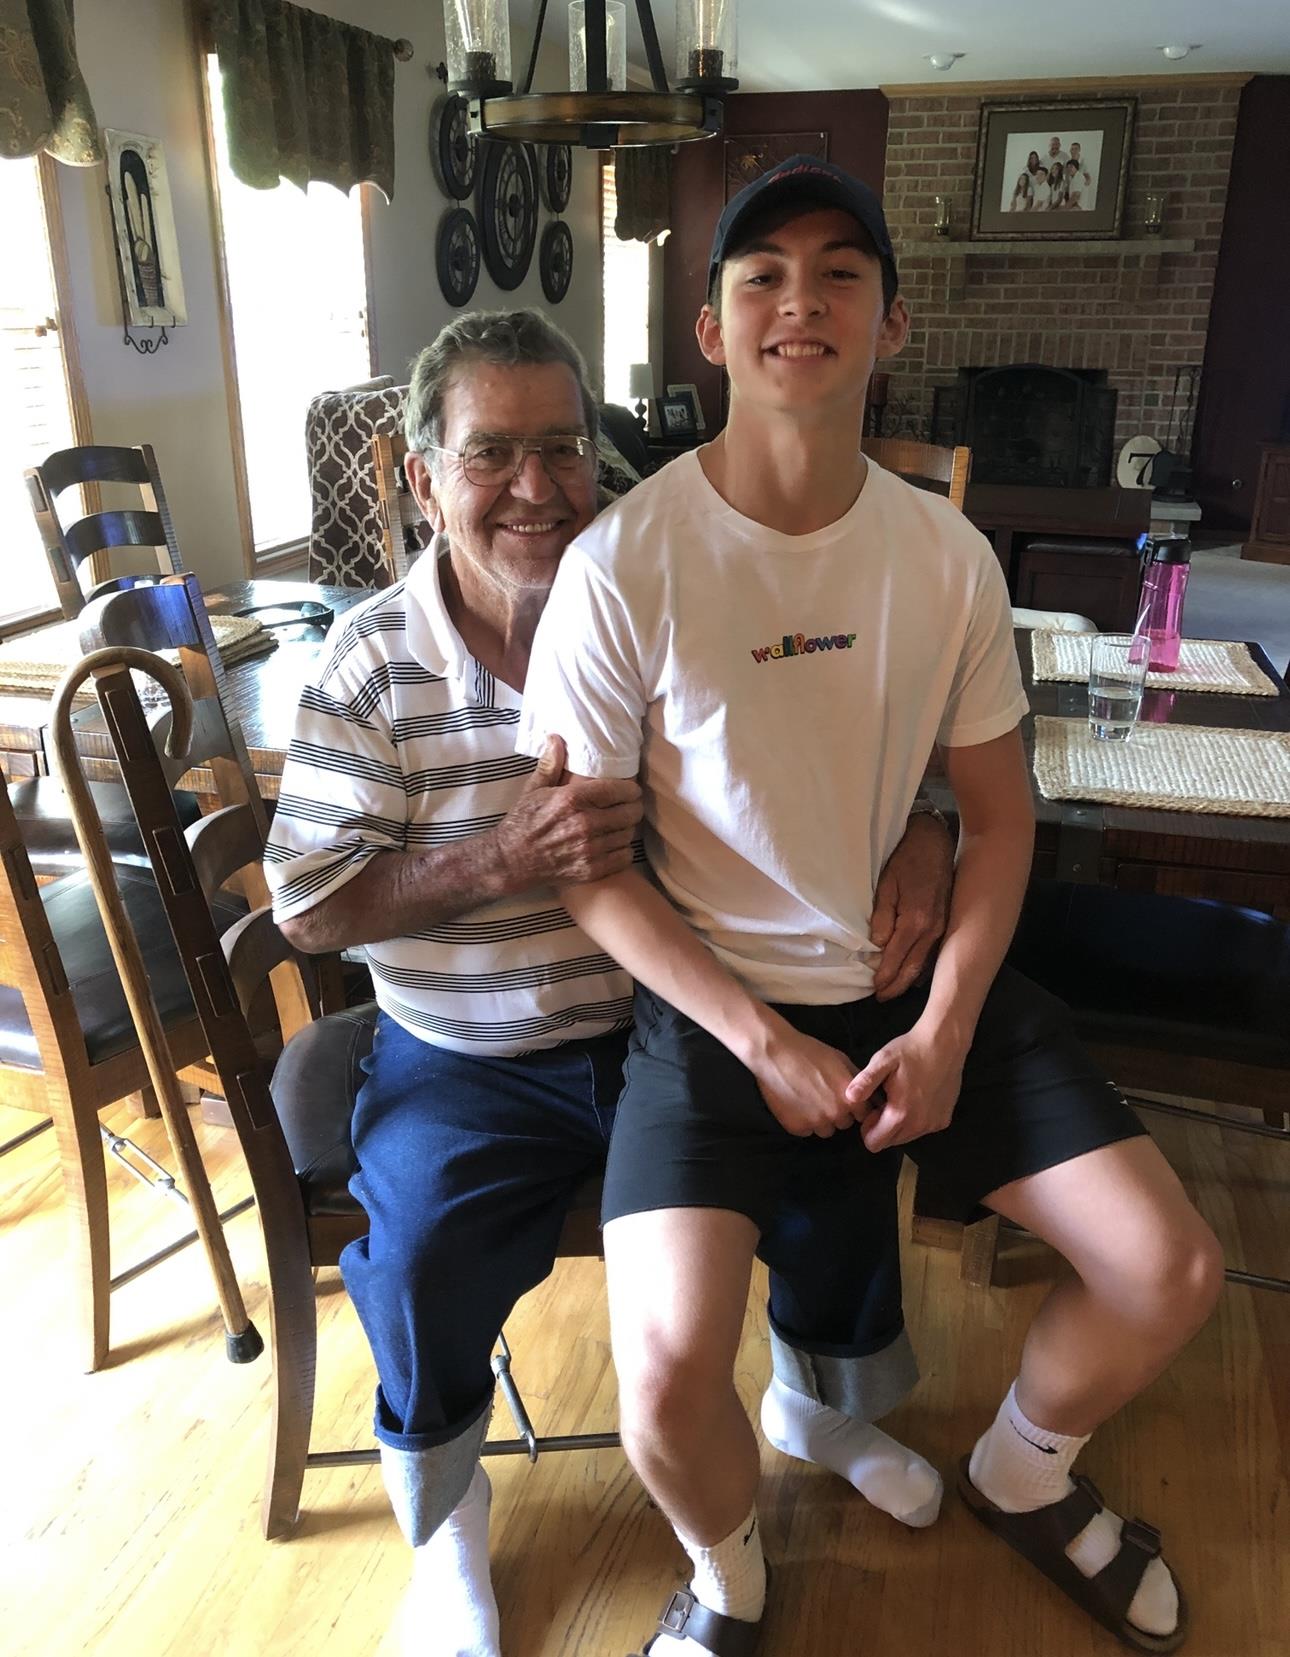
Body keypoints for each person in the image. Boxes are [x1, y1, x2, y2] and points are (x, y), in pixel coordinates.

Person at [517, 156, 1221, 1655]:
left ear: (891, 322)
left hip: (915, 985)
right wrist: (757, 1035)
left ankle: (1023, 1470)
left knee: (1169, 1266)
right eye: (760, 273)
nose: (798, 301)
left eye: (839, 272)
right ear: (709, 328)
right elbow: (585, 868)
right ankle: (724, 1580)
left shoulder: (944, 556)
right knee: (656, 1381)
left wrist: (953, 1020)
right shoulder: (618, 567)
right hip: (713, 1013)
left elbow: (998, 812)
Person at [265, 308, 957, 1656]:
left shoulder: (675, 575)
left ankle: (819, 1403)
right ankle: (446, 1525)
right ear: (418, 476)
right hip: (465, 1049)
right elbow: (306, 902)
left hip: (677, 1018)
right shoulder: (365, 662)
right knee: (415, 1251)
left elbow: (856, 709)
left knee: (839, 1161)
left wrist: (927, 813)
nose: (536, 488)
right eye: (490, 455)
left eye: (565, 449)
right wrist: (498, 857)